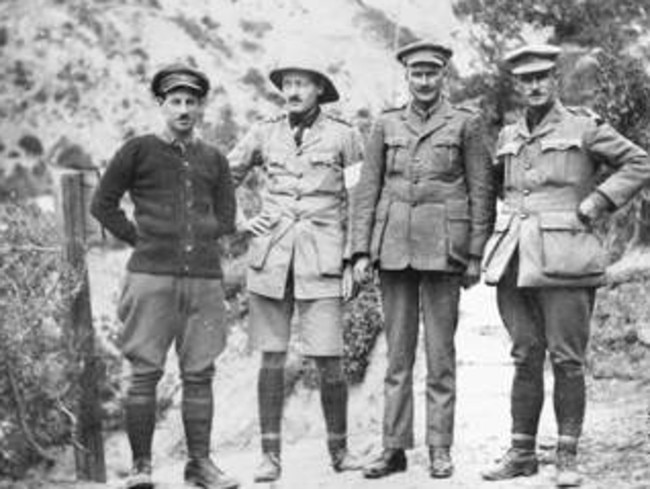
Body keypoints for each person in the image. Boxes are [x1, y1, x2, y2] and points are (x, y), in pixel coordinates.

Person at [481, 44, 650, 488]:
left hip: (566, 257)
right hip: (515, 259)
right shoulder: (507, 135)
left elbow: (639, 161)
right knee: (524, 355)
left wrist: (595, 203)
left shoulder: (583, 125)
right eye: (525, 79)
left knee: (567, 359)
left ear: (554, 80)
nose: (533, 85)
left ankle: (567, 456)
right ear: (516, 85)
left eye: (541, 77)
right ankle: (521, 453)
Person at [351, 40, 495, 479]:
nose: (425, 81)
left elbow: (482, 190)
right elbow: (366, 190)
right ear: (407, 77)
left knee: (440, 355)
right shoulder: (385, 124)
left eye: (432, 73)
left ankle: (439, 447)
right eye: (417, 73)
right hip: (392, 250)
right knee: (396, 358)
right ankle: (393, 448)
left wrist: (473, 253)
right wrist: (360, 250)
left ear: (443, 76)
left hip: (443, 252)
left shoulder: (466, 124)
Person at [91, 63, 239, 489]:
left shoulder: (213, 158)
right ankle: (141, 468)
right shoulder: (137, 149)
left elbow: (226, 216)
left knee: (200, 373)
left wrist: (204, 233)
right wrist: (140, 238)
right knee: (144, 373)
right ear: (162, 105)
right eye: (175, 101)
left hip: (204, 281)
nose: (184, 109)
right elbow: (103, 204)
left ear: (201, 107)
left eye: (191, 102)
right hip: (150, 278)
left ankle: (200, 466)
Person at [228, 53, 364, 483]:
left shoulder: (345, 136)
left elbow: (359, 201)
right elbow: (220, 175)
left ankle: (339, 451)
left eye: (302, 83)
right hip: (271, 259)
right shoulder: (263, 131)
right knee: (271, 358)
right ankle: (270, 457)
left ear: (319, 89)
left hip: (323, 259)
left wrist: (354, 259)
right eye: (287, 83)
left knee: (329, 360)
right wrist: (240, 221)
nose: (292, 91)